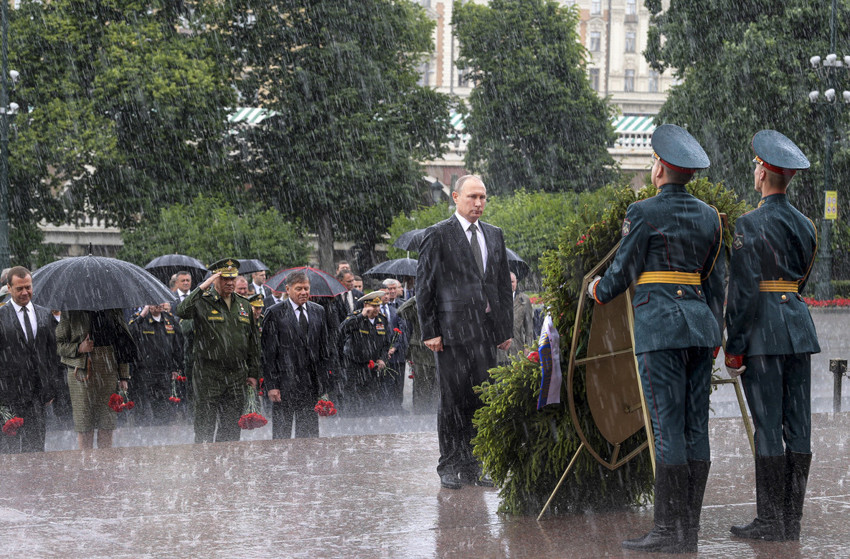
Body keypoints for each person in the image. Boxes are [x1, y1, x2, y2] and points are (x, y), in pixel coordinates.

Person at [587, 124, 724, 553]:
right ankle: (690, 531)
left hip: (660, 326)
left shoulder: (643, 212)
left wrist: (596, 289)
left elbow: (622, 273)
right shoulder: (710, 216)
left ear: (660, 168)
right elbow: (712, 278)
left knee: (666, 429)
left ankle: (667, 531)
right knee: (694, 427)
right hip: (700, 327)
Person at [724, 130, 820, 542]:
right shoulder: (806, 225)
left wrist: (734, 346)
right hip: (798, 329)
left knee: (767, 426)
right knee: (798, 425)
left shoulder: (748, 224)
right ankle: (790, 520)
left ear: (763, 173)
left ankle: (769, 521)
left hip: (763, 333)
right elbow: (801, 281)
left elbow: (744, 293)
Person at [416, 174, 513, 490]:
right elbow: (425, 286)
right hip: (452, 333)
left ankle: (476, 463)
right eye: (472, 196)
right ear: (455, 198)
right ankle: (449, 464)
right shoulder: (438, 234)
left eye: (483, 197)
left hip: (485, 333)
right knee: (453, 400)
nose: (479, 203)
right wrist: (430, 330)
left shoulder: (495, 235)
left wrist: (504, 329)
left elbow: (500, 286)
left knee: (482, 399)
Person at [175, 258, 260, 443]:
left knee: (230, 429)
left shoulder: (244, 305)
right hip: (208, 373)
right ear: (215, 279)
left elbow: (253, 341)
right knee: (205, 427)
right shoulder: (203, 301)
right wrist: (202, 287)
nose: (230, 283)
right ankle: (205, 468)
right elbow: (181, 310)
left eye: (233, 279)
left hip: (237, 374)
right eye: (224, 279)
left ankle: (227, 467)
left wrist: (253, 373)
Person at [262, 271, 333, 439]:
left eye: (306, 288)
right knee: (282, 433)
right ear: (287, 289)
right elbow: (268, 352)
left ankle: (307, 463)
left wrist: (324, 382)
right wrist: (271, 385)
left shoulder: (318, 311)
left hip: (310, 383)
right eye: (299, 288)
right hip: (284, 383)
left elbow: (323, 347)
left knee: (308, 433)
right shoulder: (275, 312)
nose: (303, 292)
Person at [57, 307, 137, 450]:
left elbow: (122, 343)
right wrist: (78, 348)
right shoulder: (71, 310)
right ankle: (86, 464)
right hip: (80, 372)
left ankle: (105, 464)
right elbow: (59, 345)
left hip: (108, 367)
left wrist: (124, 376)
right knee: (84, 423)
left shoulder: (113, 309)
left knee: (107, 422)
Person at [0, 267, 59, 453]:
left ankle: (34, 482)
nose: (25, 292)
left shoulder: (44, 314)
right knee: (10, 452)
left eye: (28, 287)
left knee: (35, 449)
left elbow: (52, 354)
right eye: (19, 288)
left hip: (37, 395)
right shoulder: (1, 316)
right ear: (9, 288)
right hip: (9, 396)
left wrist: (51, 386)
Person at [127, 303, 184, 425]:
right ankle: (144, 437)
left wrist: (175, 367)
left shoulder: (170, 319)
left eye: (160, 302)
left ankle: (162, 437)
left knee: (164, 408)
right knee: (143, 409)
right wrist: (143, 314)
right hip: (144, 371)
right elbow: (130, 333)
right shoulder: (140, 319)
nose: (158, 305)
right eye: (154, 302)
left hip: (165, 370)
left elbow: (178, 344)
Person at [338, 292, 392, 415]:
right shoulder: (356, 316)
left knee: (371, 399)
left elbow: (386, 343)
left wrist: (383, 359)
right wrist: (361, 316)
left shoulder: (382, 320)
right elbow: (342, 330)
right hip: (353, 365)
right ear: (366, 305)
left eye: (378, 306)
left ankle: (368, 425)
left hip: (371, 366)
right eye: (374, 306)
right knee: (352, 399)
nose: (377, 309)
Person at [397, 294, 438, 414]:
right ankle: (421, 417)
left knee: (437, 389)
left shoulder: (442, 303)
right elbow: (401, 311)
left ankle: (435, 416)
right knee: (421, 389)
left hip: (438, 351)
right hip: (421, 354)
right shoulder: (418, 305)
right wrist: (418, 295)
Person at [379, 289, 407, 413]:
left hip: (397, 353)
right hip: (382, 354)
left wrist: (394, 347)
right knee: (385, 383)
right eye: (383, 294)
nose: (387, 295)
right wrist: (384, 350)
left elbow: (402, 329)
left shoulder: (395, 310)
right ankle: (385, 408)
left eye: (387, 293)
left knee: (398, 382)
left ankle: (397, 407)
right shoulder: (375, 310)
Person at [498, 272, 535, 364]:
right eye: (507, 281)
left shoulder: (524, 300)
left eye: (512, 282)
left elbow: (529, 327)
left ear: (516, 282)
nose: (510, 284)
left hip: (518, 349)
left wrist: (528, 347)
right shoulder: (496, 299)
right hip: (500, 351)